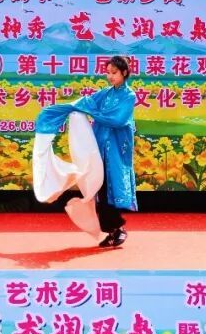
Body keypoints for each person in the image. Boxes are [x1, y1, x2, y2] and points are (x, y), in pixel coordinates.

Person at [35, 55, 137, 248]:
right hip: (100, 146)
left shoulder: (129, 96)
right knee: (99, 187)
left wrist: (93, 112)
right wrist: (68, 109)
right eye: (108, 72)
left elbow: (118, 120)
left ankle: (117, 228)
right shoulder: (105, 93)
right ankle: (113, 229)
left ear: (124, 73)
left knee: (111, 188)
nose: (110, 76)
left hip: (116, 148)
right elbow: (87, 102)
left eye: (114, 73)